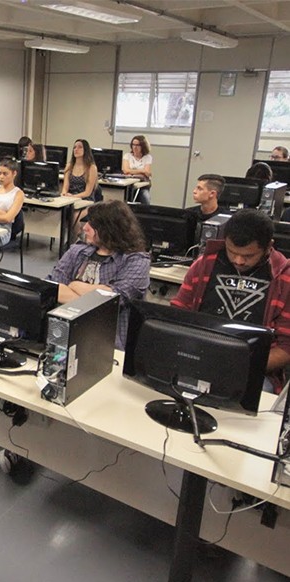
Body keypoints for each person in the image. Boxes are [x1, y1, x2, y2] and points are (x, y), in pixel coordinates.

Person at [172, 209, 290, 392]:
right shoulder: (204, 264)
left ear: (269, 247)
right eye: (232, 251)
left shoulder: (285, 280)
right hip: (198, 359)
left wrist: (237, 366)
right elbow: (178, 316)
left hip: (252, 371)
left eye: (249, 255)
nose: (239, 260)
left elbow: (285, 348)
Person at [48, 200, 150, 350]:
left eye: (92, 224)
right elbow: (51, 287)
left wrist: (73, 285)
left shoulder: (136, 261)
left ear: (109, 228)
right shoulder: (77, 251)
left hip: (106, 342)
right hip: (62, 333)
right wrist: (94, 300)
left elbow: (115, 298)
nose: (85, 228)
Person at [122, 135, 153, 205]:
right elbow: (126, 170)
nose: (135, 147)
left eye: (138, 145)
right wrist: (142, 171)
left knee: (146, 198)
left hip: (142, 186)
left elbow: (147, 173)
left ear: (143, 146)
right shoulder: (127, 156)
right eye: (133, 145)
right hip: (128, 185)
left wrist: (132, 172)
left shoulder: (147, 157)